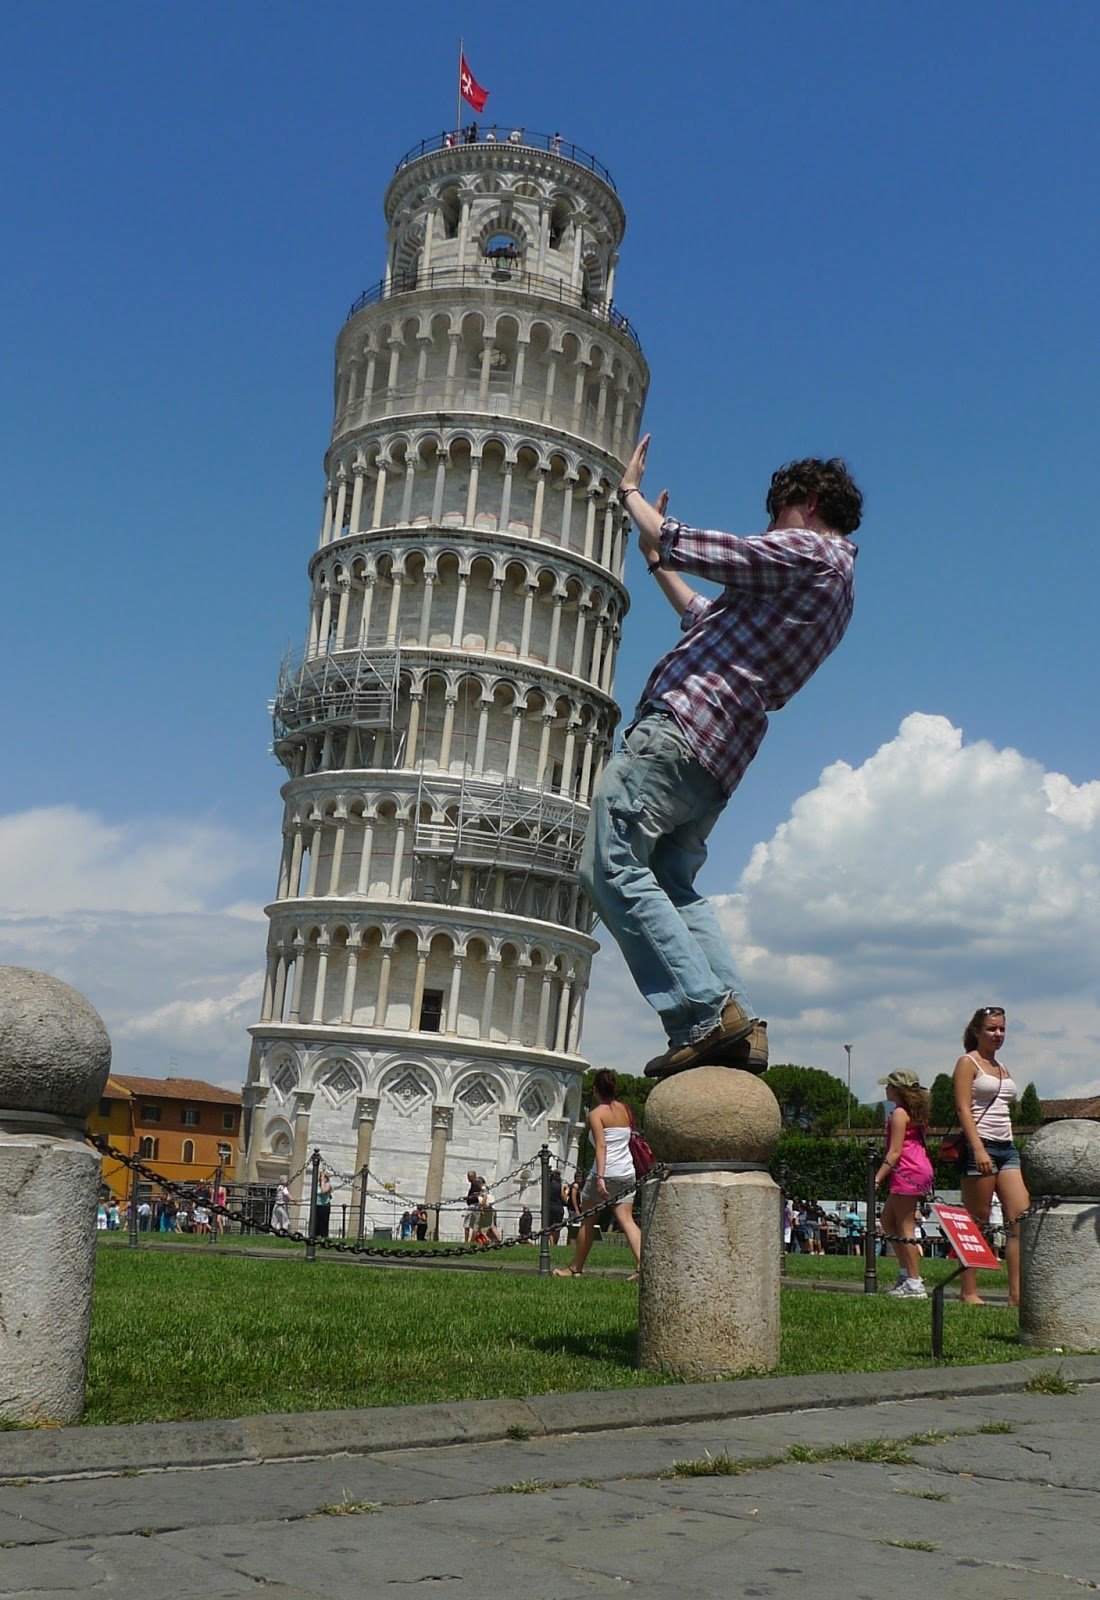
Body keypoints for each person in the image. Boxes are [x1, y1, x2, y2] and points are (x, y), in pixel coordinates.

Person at [589, 435, 862, 1082]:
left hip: (682, 727)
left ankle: (700, 1015)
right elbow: (706, 616)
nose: (770, 528)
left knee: (608, 859)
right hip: (717, 757)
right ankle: (737, 1026)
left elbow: (728, 553)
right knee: (672, 884)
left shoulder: (810, 550)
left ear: (809, 503)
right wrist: (660, 564)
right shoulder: (836, 588)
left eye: (776, 514)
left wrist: (630, 497)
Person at [953, 1006, 1029, 1306]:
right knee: (977, 1222)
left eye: (1002, 1029)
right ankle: (969, 1290)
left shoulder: (1002, 1067)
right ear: (976, 1031)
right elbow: (962, 1108)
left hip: (1006, 1146)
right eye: (992, 1029)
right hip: (980, 1144)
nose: (998, 1035)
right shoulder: (967, 1063)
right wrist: (979, 1148)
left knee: (1019, 1219)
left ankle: (1017, 1294)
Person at [554, 1069, 642, 1279]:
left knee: (587, 1220)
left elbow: (601, 1146)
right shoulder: (625, 1110)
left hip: (605, 1173)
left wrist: (600, 1177)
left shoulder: (596, 1114)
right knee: (627, 1221)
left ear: (595, 1090)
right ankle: (642, 1263)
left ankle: (576, 1267)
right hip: (627, 1172)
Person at [873, 1068, 934, 1299]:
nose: (886, 1089)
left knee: (905, 1226)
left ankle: (914, 1282)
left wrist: (878, 1177)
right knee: (888, 1221)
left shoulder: (899, 1113)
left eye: (889, 1086)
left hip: (907, 1171)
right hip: (918, 1168)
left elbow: (895, 1151)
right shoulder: (914, 1113)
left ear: (897, 1090)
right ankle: (905, 1273)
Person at [463, 1171, 481, 1242]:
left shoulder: (475, 1184)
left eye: (468, 1177)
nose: (467, 1178)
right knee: (475, 1225)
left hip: (473, 1206)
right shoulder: (475, 1183)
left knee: (466, 1224)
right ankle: (471, 1241)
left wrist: (468, 1198)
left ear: (471, 1176)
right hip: (475, 1206)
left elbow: (476, 1195)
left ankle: (467, 1241)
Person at [314, 1170, 333, 1238]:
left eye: (321, 1176)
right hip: (317, 1205)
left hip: (324, 1205)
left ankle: (324, 1236)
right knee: (316, 1221)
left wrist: (322, 1182)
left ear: (326, 1178)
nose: (320, 1178)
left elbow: (323, 1191)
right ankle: (315, 1235)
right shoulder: (318, 1185)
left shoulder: (328, 1184)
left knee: (323, 1222)